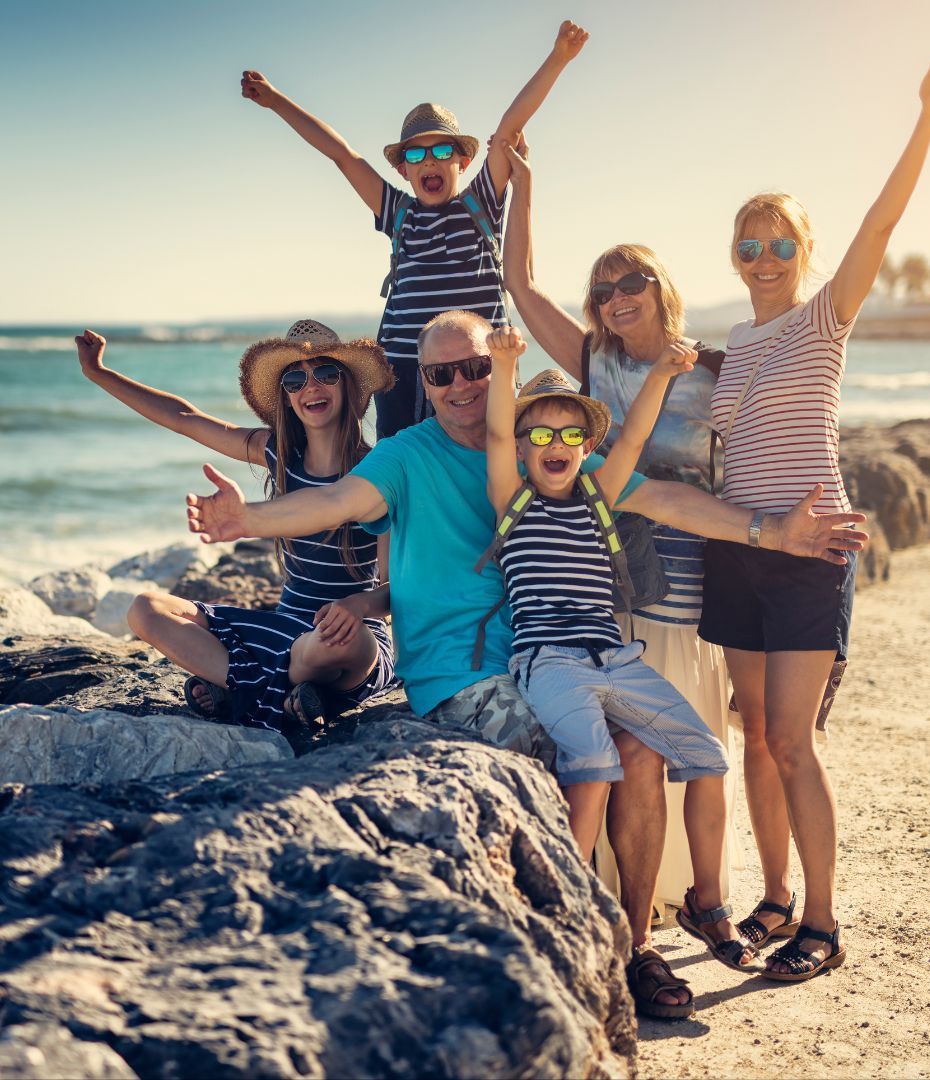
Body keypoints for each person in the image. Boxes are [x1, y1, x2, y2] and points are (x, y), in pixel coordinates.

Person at [185, 309, 866, 1015]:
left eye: (476, 367)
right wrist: (249, 520)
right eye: (442, 373)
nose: (461, 384)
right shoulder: (405, 454)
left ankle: (631, 946)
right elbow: (334, 500)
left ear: (496, 366)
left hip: (556, 657)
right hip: (463, 672)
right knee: (564, 756)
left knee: (638, 749)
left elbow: (657, 496)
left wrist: (770, 530)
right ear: (426, 382)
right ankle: (572, 938)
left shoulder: (547, 447)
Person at [701, 33, 930, 982]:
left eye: (779, 244)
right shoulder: (732, 334)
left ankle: (824, 920)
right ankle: (772, 896)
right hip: (741, 549)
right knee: (753, 732)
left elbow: (884, 224)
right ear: (734, 256)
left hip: (811, 552)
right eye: (748, 244)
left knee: (796, 742)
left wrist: (926, 115)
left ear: (803, 253)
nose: (762, 256)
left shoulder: (824, 316)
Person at [497, 135, 742, 917]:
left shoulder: (712, 369)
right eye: (603, 289)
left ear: (660, 285)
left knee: (693, 734)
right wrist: (524, 183)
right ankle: (630, 894)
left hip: (693, 560)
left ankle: (696, 894)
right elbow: (519, 283)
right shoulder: (593, 363)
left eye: (631, 281)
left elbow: (768, 432)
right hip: (617, 572)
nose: (616, 297)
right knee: (628, 732)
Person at [483, 331, 760, 1008]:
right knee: (597, 763)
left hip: (616, 657)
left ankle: (707, 899)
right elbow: (493, 435)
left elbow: (632, 439)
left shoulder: (598, 496)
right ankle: (573, 924)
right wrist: (503, 367)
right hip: (550, 660)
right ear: (523, 449)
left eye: (568, 434)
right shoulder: (511, 504)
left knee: (706, 756)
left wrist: (665, 369)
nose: (553, 446)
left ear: (585, 446)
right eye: (538, 434)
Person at [239, 19, 589, 438]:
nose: (429, 161)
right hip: (403, 371)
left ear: (461, 161)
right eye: (417, 154)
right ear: (403, 170)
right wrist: (277, 102)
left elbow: (507, 131)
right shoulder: (399, 212)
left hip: (479, 368)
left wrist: (559, 57)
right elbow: (342, 156)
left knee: (484, 468)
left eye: (442, 150)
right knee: (401, 474)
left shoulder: (479, 205)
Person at [74, 320, 397, 733]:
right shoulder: (278, 455)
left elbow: (393, 590)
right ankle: (289, 698)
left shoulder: (377, 473)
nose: (311, 387)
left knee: (341, 645)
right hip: (284, 626)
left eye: (327, 374)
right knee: (145, 610)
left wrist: (357, 607)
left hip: (346, 634)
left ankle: (239, 689)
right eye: (295, 380)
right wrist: (99, 373)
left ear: (348, 385)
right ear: (286, 397)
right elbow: (184, 418)